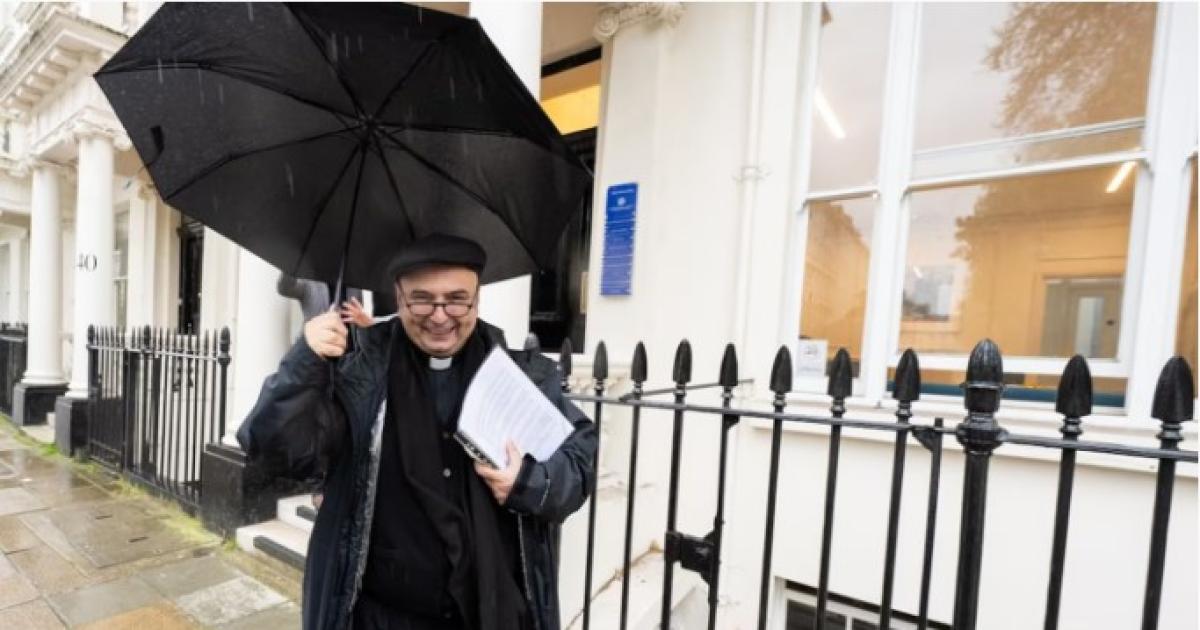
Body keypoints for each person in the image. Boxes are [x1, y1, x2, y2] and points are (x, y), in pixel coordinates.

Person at [239, 233, 596, 630]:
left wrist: (529, 481)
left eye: (457, 299)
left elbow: (580, 461)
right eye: (422, 298)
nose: (440, 315)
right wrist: (304, 362)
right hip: (379, 618)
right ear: (398, 295)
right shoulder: (355, 373)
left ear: (477, 298)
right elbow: (274, 452)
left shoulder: (519, 376)